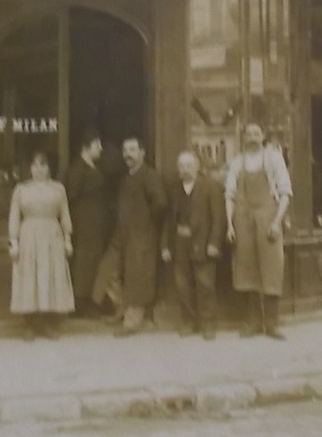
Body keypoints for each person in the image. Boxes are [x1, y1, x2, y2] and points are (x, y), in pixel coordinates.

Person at [225, 123, 293, 339]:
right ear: (243, 138)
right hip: (243, 219)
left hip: (268, 218)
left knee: (272, 268)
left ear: (263, 136)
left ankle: (271, 324)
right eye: (248, 134)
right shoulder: (237, 162)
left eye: (256, 133)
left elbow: (285, 192)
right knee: (247, 268)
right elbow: (229, 194)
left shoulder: (273, 158)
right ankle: (252, 322)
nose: (252, 137)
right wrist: (229, 224)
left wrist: (276, 221)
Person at [7, 150, 75, 340]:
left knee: (49, 276)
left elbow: (65, 214)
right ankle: (30, 324)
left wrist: (67, 239)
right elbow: (14, 215)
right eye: (35, 165)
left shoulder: (58, 189)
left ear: (49, 168)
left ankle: (47, 324)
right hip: (29, 234)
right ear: (30, 168)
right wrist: (14, 242)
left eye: (43, 165)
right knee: (31, 276)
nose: (39, 169)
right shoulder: (22, 189)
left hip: (52, 235)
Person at [161, 150, 224, 339]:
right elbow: (168, 220)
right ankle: (189, 322)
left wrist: (214, 243)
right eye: (181, 166)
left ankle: (208, 325)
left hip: (203, 242)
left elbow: (219, 218)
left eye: (189, 165)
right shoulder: (174, 189)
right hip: (180, 242)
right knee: (183, 285)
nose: (185, 169)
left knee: (205, 284)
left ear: (197, 167)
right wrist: (165, 246)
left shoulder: (210, 187)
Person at [114, 136, 167, 336]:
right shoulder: (128, 176)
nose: (128, 154)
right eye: (125, 150)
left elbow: (161, 204)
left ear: (142, 153)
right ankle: (125, 309)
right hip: (125, 235)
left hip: (142, 235)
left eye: (132, 150)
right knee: (112, 272)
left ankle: (133, 322)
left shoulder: (149, 175)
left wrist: (145, 223)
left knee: (138, 276)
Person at [64, 133, 111, 315]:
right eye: (96, 144)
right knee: (83, 264)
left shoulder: (92, 168)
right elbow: (71, 197)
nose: (100, 148)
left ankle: (90, 302)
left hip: (94, 226)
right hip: (83, 225)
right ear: (85, 147)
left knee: (92, 263)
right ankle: (80, 304)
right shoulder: (77, 170)